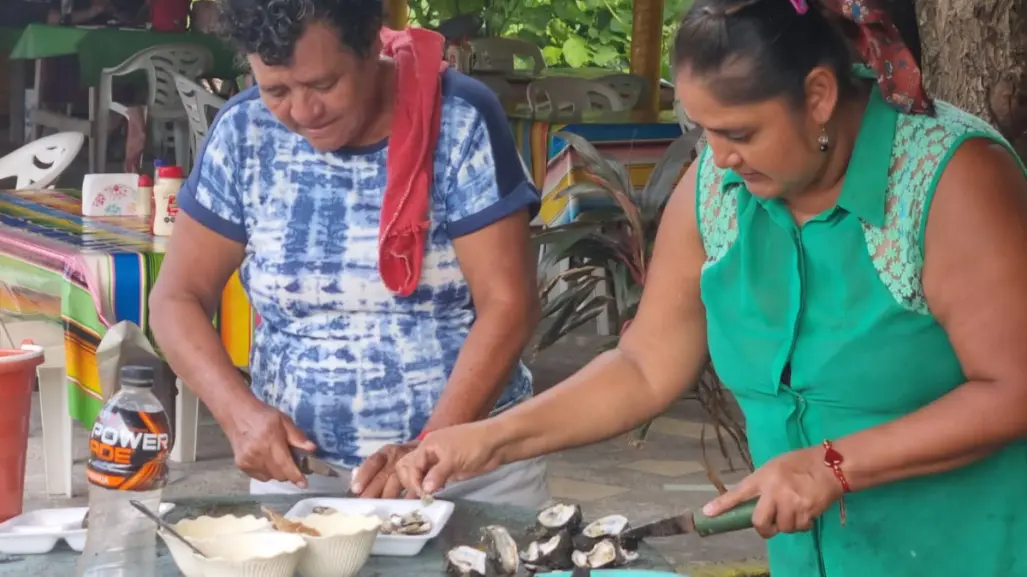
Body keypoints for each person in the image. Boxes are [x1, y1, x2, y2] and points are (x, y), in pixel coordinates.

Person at [386, 0, 1027, 575]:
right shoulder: (717, 192)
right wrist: (484, 438)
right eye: (702, 131)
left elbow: (1013, 388)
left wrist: (832, 464)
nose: (717, 158)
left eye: (740, 134)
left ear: (821, 94)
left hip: (970, 548)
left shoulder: (948, 178)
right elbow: (642, 367)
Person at [149, 0, 549, 509]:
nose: (301, 111)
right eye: (276, 90)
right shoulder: (243, 133)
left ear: (370, 47)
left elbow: (509, 303)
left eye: (322, 85)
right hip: (300, 478)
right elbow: (175, 297)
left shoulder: (459, 119)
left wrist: (429, 449)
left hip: (469, 469)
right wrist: (239, 414)